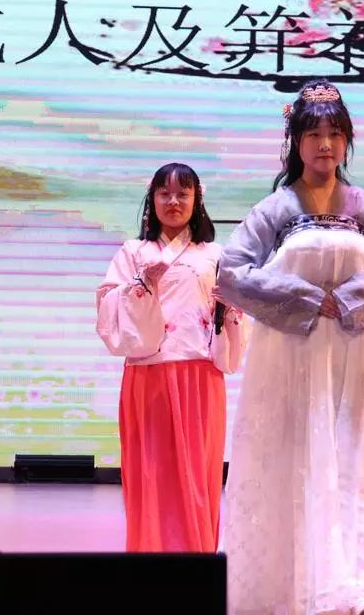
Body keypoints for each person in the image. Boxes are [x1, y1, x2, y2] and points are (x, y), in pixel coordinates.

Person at [217, 80, 364, 615]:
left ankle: (355, 588)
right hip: (292, 354)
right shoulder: (275, 209)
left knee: (356, 460)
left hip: (356, 353)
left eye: (334, 133)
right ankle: (292, 588)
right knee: (295, 460)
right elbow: (230, 272)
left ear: (347, 140)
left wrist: (352, 297)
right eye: (313, 134)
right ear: (296, 142)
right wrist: (306, 298)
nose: (325, 144)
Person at [96, 163, 247, 552]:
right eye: (164, 193)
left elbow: (232, 314)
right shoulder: (133, 252)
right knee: (150, 473)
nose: (173, 201)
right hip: (148, 376)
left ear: (197, 200)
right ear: (152, 200)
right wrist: (142, 283)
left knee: (198, 474)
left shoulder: (215, 254)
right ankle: (150, 559)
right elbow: (108, 303)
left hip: (200, 377)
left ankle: (196, 560)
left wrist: (231, 306)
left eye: (183, 194)